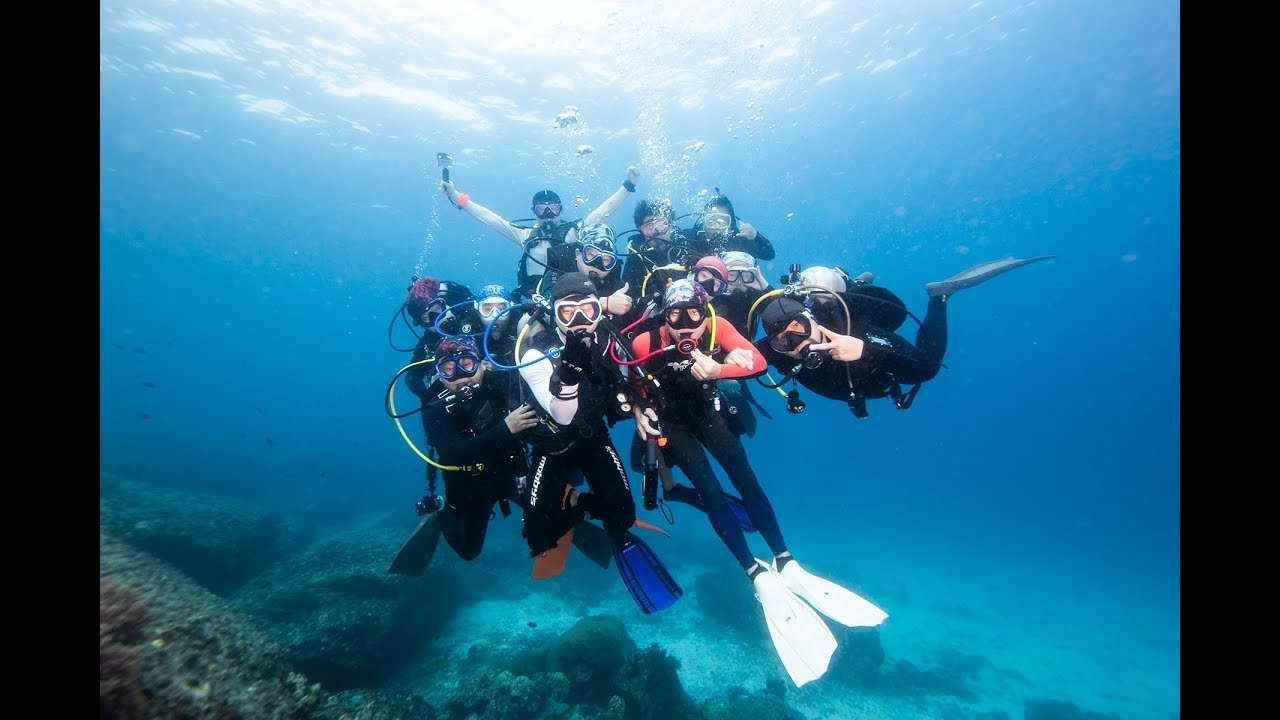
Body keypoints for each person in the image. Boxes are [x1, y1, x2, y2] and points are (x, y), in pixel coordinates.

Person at [628, 279, 887, 686]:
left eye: (694, 314)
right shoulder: (647, 341)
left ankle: (785, 558)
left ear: (704, 311)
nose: (685, 326)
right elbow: (629, 384)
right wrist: (640, 411)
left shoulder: (717, 328)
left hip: (708, 413)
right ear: (665, 316)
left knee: (747, 481)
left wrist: (719, 368)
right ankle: (754, 572)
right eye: (675, 317)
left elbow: (758, 362)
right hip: (673, 426)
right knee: (712, 493)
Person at [515, 271, 683, 614]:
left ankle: (579, 501)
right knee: (537, 539)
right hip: (553, 446)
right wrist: (569, 374)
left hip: (593, 437)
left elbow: (628, 382)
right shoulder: (534, 351)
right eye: (567, 312)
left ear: (599, 311)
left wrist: (638, 410)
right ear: (554, 314)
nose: (579, 321)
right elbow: (561, 416)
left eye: (588, 311)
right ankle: (574, 502)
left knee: (623, 516)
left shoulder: (608, 339)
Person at [756, 256, 1054, 418]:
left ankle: (939, 296)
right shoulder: (778, 351)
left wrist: (866, 350)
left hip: (869, 346)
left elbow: (925, 370)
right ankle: (855, 280)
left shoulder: (856, 330)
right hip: (860, 389)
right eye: (783, 341)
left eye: (800, 330)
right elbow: (736, 358)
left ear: (810, 319)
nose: (797, 344)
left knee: (929, 363)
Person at [388, 336, 540, 575]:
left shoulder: (500, 382)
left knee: (546, 513)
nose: (461, 376)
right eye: (448, 370)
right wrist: (506, 428)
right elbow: (452, 454)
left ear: (482, 363)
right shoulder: (433, 404)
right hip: (468, 484)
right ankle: (441, 514)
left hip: (508, 471)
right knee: (468, 550)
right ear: (439, 374)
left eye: (467, 364)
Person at [439, 167, 641, 300]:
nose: (547, 214)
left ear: (560, 210)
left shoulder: (574, 231)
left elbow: (603, 213)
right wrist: (458, 198)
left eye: (552, 208)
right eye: (540, 209)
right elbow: (491, 219)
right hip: (533, 298)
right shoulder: (525, 236)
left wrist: (627, 186)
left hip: (571, 297)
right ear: (533, 213)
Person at [537, 223, 639, 330]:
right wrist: (604, 303)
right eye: (591, 255)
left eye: (606, 260)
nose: (597, 264)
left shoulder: (616, 285)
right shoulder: (557, 272)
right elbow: (549, 307)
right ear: (577, 253)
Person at [403, 279, 485, 403]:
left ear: (445, 305)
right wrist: (429, 400)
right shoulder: (428, 345)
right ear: (422, 325)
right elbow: (412, 378)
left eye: (436, 311)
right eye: (426, 319)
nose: (436, 320)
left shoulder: (470, 314)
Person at [620, 198, 696, 306]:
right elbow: (628, 301)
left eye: (661, 225)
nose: (656, 232)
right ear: (641, 231)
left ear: (670, 226)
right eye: (649, 227)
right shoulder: (635, 261)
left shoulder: (686, 247)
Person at [688, 191, 776, 260]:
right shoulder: (691, 238)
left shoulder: (739, 240)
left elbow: (769, 254)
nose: (716, 227)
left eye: (722, 221)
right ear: (703, 220)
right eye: (711, 220)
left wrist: (755, 236)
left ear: (731, 224)